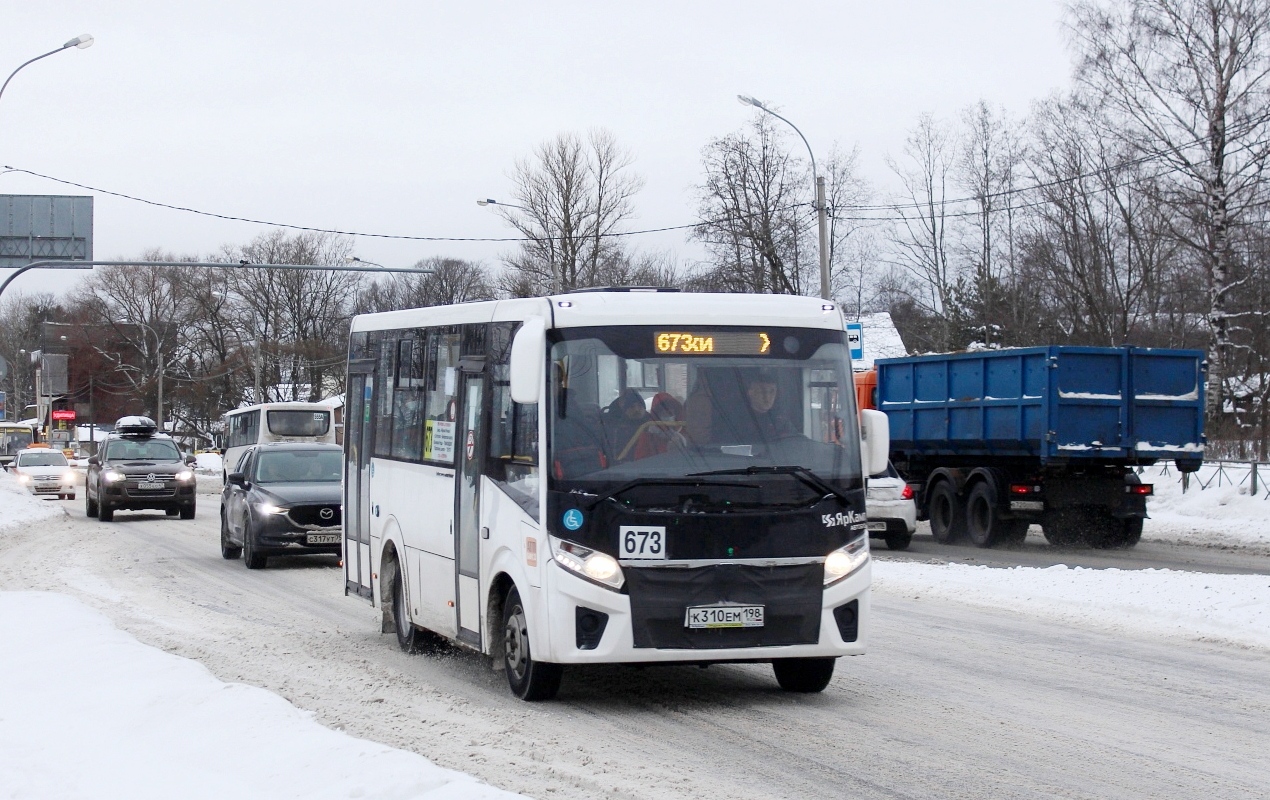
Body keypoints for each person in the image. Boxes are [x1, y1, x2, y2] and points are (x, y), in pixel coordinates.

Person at [739, 368, 796, 441]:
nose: (767, 397)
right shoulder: (739, 421)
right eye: (762, 391)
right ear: (751, 392)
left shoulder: (782, 422)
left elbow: (795, 443)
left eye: (772, 391)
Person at [601, 388, 650, 463]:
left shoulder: (652, 424)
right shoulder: (613, 427)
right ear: (624, 410)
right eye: (632, 407)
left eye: (640, 406)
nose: (636, 410)